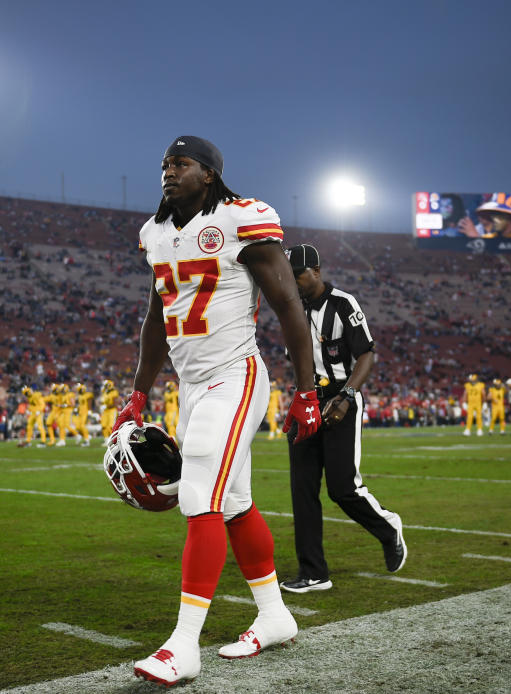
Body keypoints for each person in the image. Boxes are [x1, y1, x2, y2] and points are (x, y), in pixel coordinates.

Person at [113, 135, 321, 687]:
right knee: (233, 503)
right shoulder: (155, 234)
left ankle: (184, 646)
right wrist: (138, 393)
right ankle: (275, 615)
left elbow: (286, 304)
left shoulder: (241, 218)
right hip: (193, 385)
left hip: (236, 375)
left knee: (199, 495)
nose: (167, 171)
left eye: (180, 163)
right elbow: (157, 319)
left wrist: (307, 389)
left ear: (208, 173)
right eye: (163, 163)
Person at [280, 243, 406, 594]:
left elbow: (366, 354)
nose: (293, 283)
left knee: (342, 487)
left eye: (297, 276)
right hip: (305, 398)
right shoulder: (291, 309)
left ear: (316, 271)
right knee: (301, 489)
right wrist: (299, 401)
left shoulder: (343, 304)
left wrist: (347, 396)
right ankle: (314, 572)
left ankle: (388, 526)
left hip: (341, 395)